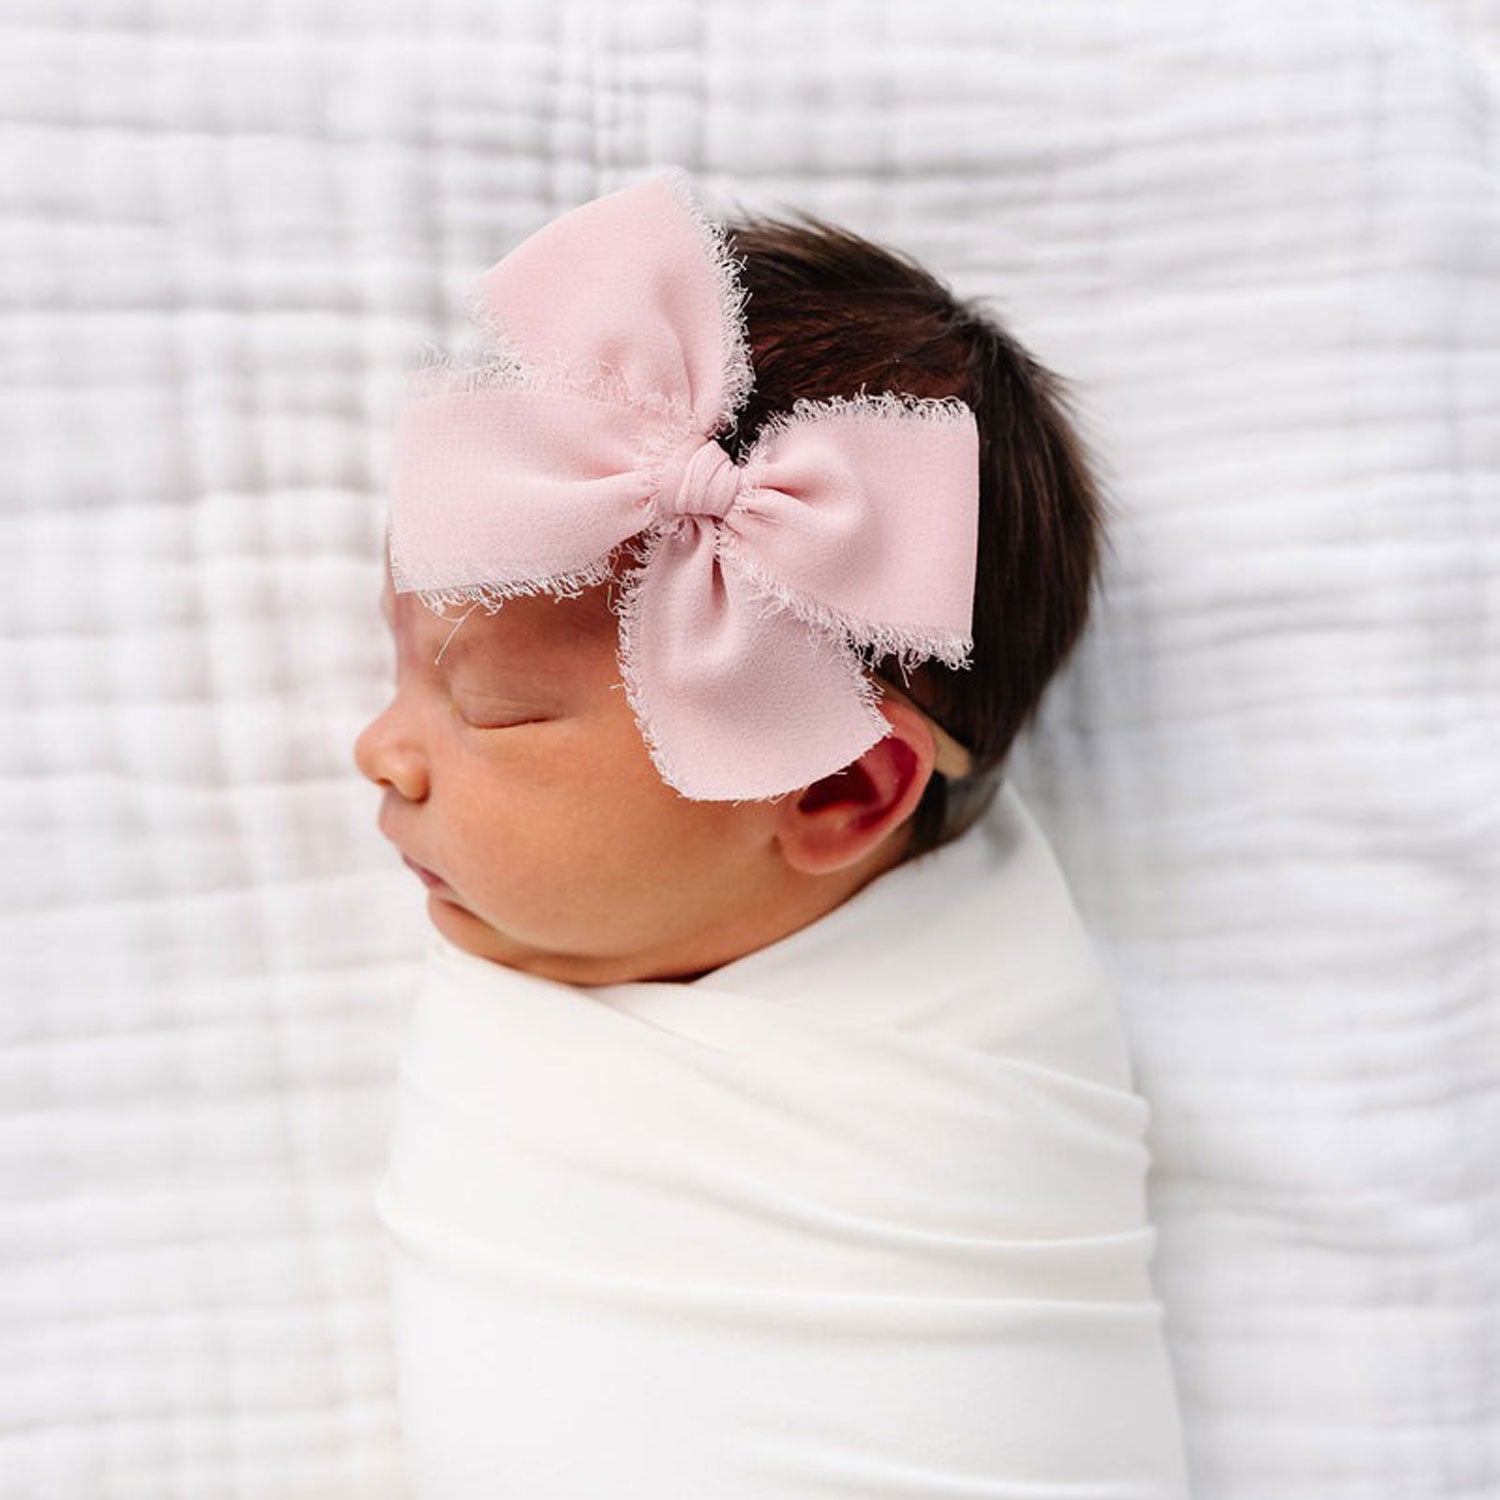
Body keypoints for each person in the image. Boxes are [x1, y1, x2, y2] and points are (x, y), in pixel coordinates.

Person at [355, 168, 1191, 1498]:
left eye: (493, 708)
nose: (379, 750)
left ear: (835, 792)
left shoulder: (981, 1059)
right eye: (399, 666)